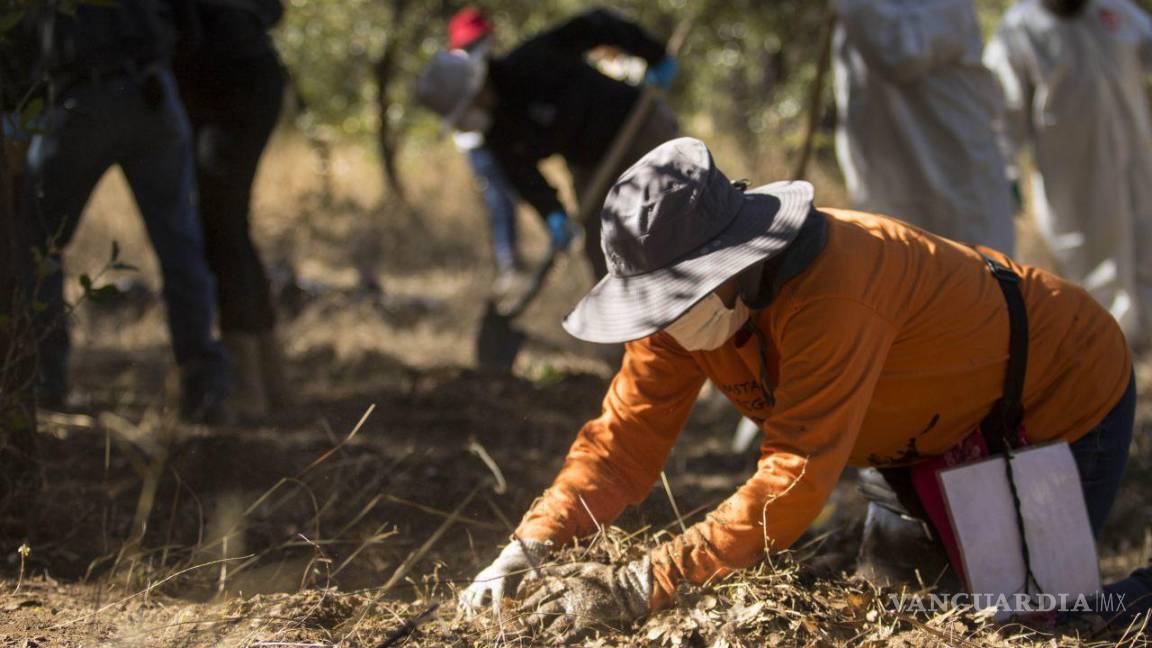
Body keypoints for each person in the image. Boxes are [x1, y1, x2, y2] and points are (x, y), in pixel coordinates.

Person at [458, 137, 1151, 636]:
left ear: (734, 263)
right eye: (654, 307)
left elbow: (793, 479)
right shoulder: (680, 313)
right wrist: (531, 545)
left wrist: (643, 583)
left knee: (1038, 626)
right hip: (907, 434)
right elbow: (622, 444)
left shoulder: (837, 294)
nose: (663, 327)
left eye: (676, 301)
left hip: (1051, 388)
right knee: (910, 617)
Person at [22, 0, 231, 424]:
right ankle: (204, 386)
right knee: (180, 243)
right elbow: (191, 27)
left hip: (84, 98)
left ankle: (43, 381)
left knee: (34, 240)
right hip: (151, 92)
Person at [415, 8, 680, 280]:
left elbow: (597, 23)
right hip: (590, 164)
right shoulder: (497, 133)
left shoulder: (534, 60)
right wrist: (552, 214)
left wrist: (654, 54)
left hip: (638, 129)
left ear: (476, 86)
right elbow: (524, 177)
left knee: (676, 218)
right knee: (606, 254)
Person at [984, 0, 1152, 348]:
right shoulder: (1020, 30)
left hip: (1135, 160)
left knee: (1145, 245)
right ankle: (1111, 360)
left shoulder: (1114, 11)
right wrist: (1005, 171)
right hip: (1074, 176)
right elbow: (1001, 113)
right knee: (1093, 265)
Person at [173, 0, 288, 421]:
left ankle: (249, 387)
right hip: (245, 77)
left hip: (231, 84)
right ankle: (270, 378)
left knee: (219, 227)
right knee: (228, 226)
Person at [834, 0, 1017, 253]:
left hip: (957, 183)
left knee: (974, 276)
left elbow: (899, 54)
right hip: (893, 183)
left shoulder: (945, 6)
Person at [444, 8, 524, 294]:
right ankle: (507, 263)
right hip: (478, 144)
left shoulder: (482, 62)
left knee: (503, 200)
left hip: (491, 140)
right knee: (499, 201)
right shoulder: (461, 66)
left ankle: (510, 260)